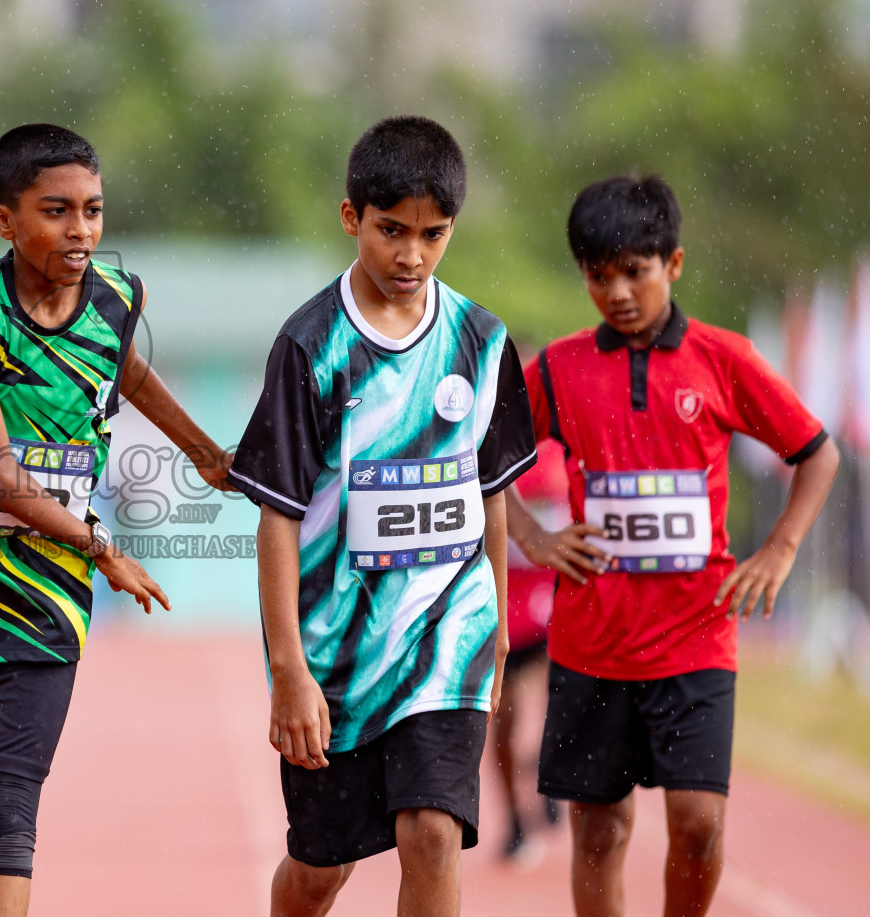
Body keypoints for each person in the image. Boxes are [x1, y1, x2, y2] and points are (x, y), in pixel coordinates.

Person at [0, 123, 234, 917]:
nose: (81, 230)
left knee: (12, 820)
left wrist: (206, 454)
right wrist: (104, 548)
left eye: (93, 210)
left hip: (49, 599)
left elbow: (131, 371)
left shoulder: (119, 302)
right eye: (57, 211)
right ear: (3, 221)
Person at [505, 174, 840, 917]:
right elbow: (488, 462)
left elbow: (818, 452)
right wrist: (534, 535)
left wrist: (780, 550)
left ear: (674, 264)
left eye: (636, 271)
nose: (618, 291)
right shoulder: (559, 368)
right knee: (600, 830)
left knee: (698, 824)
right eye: (599, 276)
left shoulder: (723, 359)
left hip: (696, 636)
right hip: (591, 643)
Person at [228, 116, 538, 917]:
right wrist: (289, 669)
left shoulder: (481, 340)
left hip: (449, 636)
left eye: (433, 234)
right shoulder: (310, 345)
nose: (412, 255)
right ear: (350, 219)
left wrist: (495, 622)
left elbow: (490, 492)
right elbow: (277, 518)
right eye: (391, 231)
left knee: (432, 834)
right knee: (318, 871)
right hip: (338, 658)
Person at [491, 396, 567, 865]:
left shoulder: (556, 452)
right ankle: (516, 821)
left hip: (547, 608)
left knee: (563, 695)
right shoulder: (481, 444)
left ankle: (549, 765)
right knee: (503, 726)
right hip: (501, 611)